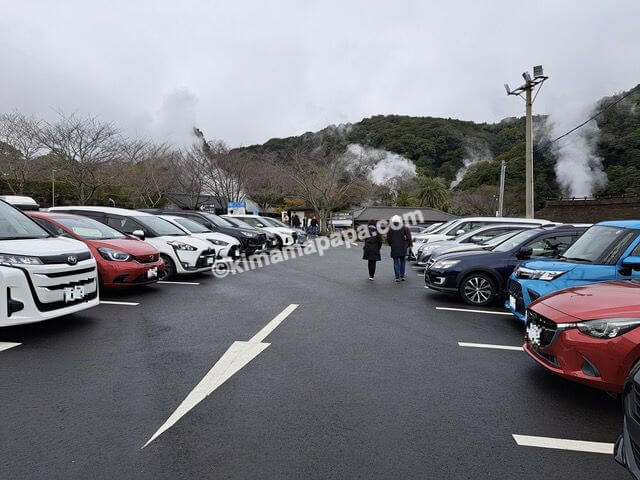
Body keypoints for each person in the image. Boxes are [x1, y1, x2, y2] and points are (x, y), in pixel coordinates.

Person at [386, 215, 412, 282]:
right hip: (403, 247)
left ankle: (397, 277)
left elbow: (388, 238)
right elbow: (409, 238)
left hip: (394, 248)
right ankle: (402, 276)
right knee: (403, 262)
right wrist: (408, 245)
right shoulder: (405, 228)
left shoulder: (390, 228)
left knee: (396, 262)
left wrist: (391, 244)